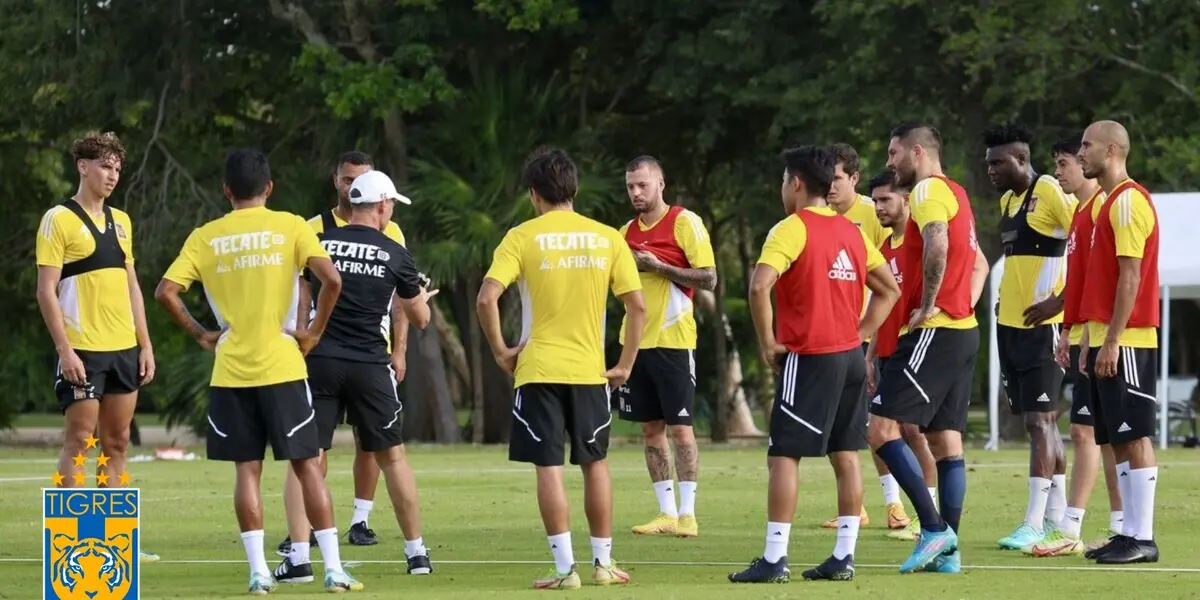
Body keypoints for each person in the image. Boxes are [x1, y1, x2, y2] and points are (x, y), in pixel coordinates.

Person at [154, 148, 362, 593]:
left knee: (247, 472)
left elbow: (166, 291)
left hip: (232, 371)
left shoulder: (206, 236)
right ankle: (333, 569)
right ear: (269, 187)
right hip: (283, 366)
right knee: (308, 466)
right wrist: (313, 333)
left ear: (226, 190)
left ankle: (259, 572)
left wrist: (202, 334)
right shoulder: (291, 225)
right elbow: (332, 280)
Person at [728, 145, 900, 584]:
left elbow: (759, 286)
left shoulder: (791, 228)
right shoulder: (852, 232)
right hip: (849, 359)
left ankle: (774, 559)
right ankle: (843, 557)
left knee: (783, 454)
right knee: (846, 454)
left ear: (797, 183)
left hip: (809, 358)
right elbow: (890, 290)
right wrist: (859, 333)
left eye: (784, 181)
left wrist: (768, 342)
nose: (782, 188)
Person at [476, 148, 646, 589]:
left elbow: (486, 297)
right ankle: (603, 565)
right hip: (590, 373)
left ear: (534, 193)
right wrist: (625, 364)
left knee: (548, 466)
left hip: (538, 371)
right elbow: (637, 306)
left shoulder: (521, 236)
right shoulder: (607, 237)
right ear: (574, 188)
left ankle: (565, 569)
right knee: (595, 464)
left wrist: (501, 351)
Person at [271, 170, 437, 585]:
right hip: (370, 365)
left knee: (306, 458)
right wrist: (421, 297)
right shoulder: (395, 252)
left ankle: (299, 556)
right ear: (381, 206)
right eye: (391, 204)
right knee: (392, 457)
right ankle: (416, 553)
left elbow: (304, 296)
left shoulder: (321, 242)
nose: (391, 210)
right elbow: (420, 318)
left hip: (319, 361)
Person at [36, 131, 160, 562]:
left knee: (117, 443)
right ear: (83, 166)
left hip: (123, 349)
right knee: (79, 441)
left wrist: (145, 344)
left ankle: (115, 538)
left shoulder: (122, 221)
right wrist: (65, 350)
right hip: (82, 350)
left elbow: (132, 287)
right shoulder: (58, 219)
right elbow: (45, 291)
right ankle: (70, 538)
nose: (112, 175)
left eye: (118, 169)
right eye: (105, 166)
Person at [868, 123, 984, 575]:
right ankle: (949, 552)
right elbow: (976, 260)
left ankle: (933, 530)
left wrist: (931, 303)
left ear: (917, 152)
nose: (889, 162)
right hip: (963, 330)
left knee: (880, 430)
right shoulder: (958, 192)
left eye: (893, 153)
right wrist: (959, 302)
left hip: (935, 330)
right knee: (944, 441)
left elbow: (938, 242)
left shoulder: (927, 191)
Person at [982, 122, 1077, 551]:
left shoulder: (1051, 191)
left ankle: (1033, 523)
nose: (991, 170)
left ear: (1022, 159)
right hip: (1011, 327)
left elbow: (1086, 246)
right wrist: (1005, 296)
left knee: (1042, 421)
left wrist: (1060, 302)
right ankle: (1056, 519)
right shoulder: (1008, 201)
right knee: (1039, 422)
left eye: (998, 163)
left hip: (1043, 330)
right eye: (988, 164)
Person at [1030, 135, 1124, 557]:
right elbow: (1081, 282)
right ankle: (1117, 527)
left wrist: (1100, 335)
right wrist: (1070, 330)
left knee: (1096, 433)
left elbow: (1115, 278)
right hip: (1089, 335)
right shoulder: (1081, 214)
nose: (1058, 172)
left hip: (1110, 337)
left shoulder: (1105, 207)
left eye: (1064, 163)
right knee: (1099, 434)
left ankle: (1073, 526)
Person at [616, 156, 716, 538]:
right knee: (650, 430)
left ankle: (688, 514)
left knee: (681, 429)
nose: (636, 193)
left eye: (643, 185)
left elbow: (709, 278)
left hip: (674, 340)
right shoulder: (624, 232)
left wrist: (657, 266)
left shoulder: (683, 222)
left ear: (661, 184)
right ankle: (666, 512)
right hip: (635, 342)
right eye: (630, 186)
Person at [1076, 120, 1160, 565]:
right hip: (1108, 337)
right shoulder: (1105, 204)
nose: (1080, 153)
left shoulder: (1128, 201)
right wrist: (1090, 340)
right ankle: (1128, 533)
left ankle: (1143, 538)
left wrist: (1111, 341)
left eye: (1086, 145)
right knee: (1117, 439)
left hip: (1129, 339)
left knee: (1135, 436)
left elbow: (1131, 277)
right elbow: (1103, 281)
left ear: (1111, 150)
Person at [821, 144, 904, 531]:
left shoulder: (872, 213)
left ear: (853, 178)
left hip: (868, 335)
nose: (830, 184)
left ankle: (894, 503)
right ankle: (856, 507)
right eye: (826, 177)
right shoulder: (817, 216)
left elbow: (890, 272)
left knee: (879, 422)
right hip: (831, 339)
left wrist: (871, 332)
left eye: (837, 177)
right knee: (840, 424)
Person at [862, 171, 940, 543]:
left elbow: (974, 265)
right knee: (881, 431)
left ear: (906, 201)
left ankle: (930, 515)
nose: (879, 207)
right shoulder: (882, 247)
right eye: (875, 201)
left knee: (912, 431)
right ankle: (901, 507)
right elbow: (883, 307)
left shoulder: (921, 240)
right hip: (887, 350)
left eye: (886, 200)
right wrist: (870, 354)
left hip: (915, 346)